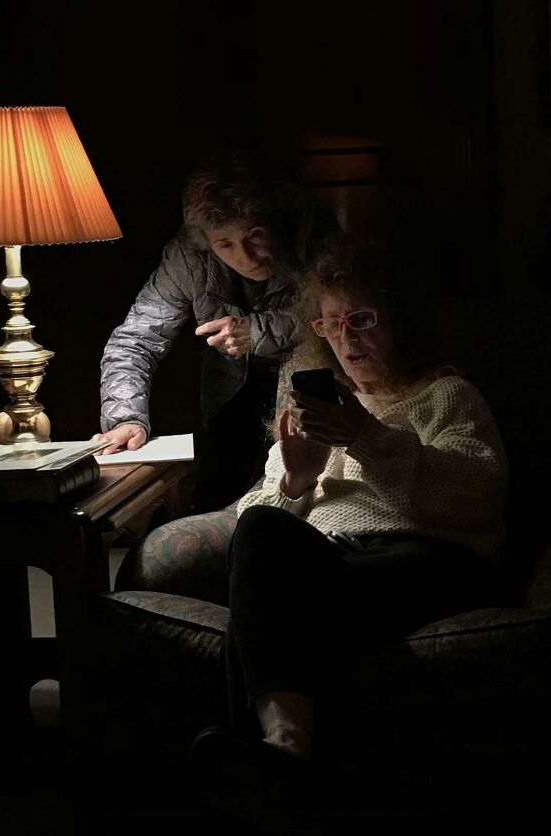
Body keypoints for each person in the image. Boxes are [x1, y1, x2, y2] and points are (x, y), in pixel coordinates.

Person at [190, 238, 509, 816]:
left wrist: (364, 436)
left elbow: (475, 488)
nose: (347, 337)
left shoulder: (446, 396)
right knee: (264, 536)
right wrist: (298, 483)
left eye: (361, 319)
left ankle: (281, 765)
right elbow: (252, 530)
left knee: (268, 611)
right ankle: (282, 759)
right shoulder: (311, 416)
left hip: (428, 560)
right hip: (334, 568)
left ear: (398, 322)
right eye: (332, 324)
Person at [95, 149, 338, 512]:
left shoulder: (310, 230)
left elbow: (337, 315)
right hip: (230, 396)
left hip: (311, 388)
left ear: (271, 220)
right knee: (213, 504)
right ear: (206, 242)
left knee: (298, 505)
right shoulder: (187, 258)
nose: (247, 257)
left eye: (254, 236)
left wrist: (256, 331)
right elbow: (135, 341)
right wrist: (126, 417)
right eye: (226, 244)